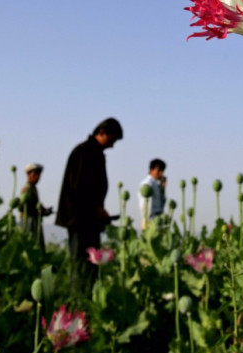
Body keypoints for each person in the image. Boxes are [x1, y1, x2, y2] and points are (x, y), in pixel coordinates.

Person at [56, 117, 123, 295]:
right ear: (102, 133)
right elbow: (79, 187)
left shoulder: (93, 152)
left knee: (89, 266)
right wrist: (96, 209)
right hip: (80, 220)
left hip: (88, 220)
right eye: (113, 139)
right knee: (81, 265)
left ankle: (86, 301)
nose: (113, 145)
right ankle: (78, 301)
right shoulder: (85, 152)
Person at [19, 163, 52, 251]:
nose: (37, 177)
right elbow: (22, 207)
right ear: (28, 175)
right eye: (35, 174)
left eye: (38, 175)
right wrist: (39, 212)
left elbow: (35, 204)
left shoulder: (34, 188)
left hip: (35, 222)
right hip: (28, 222)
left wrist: (45, 210)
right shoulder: (26, 189)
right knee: (30, 247)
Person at [138, 158, 167, 230]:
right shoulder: (147, 183)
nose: (161, 173)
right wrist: (148, 220)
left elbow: (161, 205)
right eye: (159, 170)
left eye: (162, 171)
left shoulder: (156, 184)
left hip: (157, 220)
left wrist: (163, 189)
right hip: (150, 221)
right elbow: (144, 204)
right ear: (151, 170)